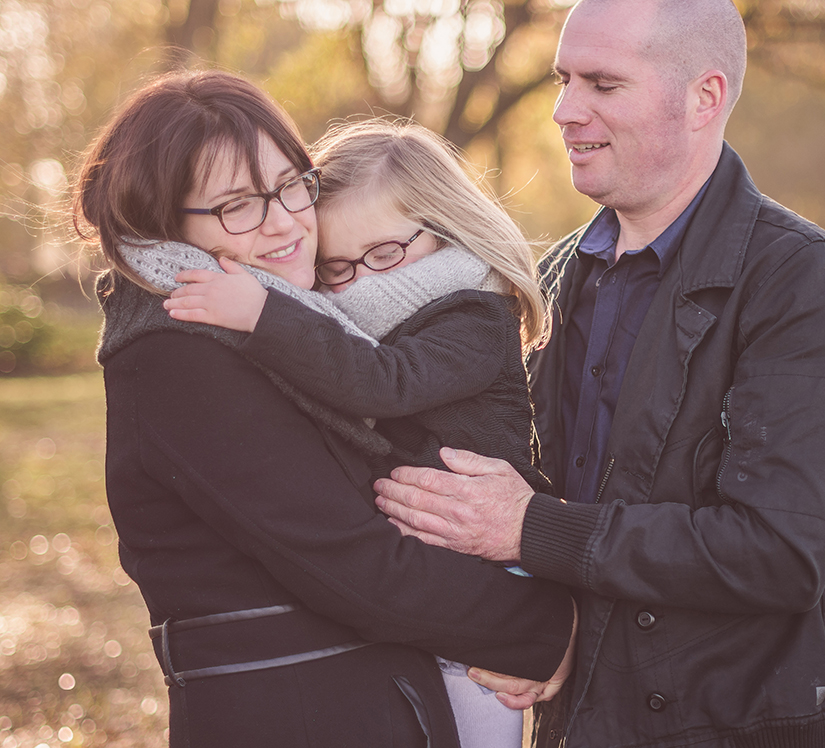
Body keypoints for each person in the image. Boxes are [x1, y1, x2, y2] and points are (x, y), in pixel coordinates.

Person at [373, 0, 825, 746]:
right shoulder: (549, 280)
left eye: (603, 85)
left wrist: (528, 529)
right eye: (562, 80)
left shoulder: (799, 281)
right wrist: (545, 630)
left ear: (704, 97)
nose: (563, 110)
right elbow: (559, 502)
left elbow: (779, 552)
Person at [75, 69, 574, 748]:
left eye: (290, 185)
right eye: (238, 205)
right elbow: (352, 562)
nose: (283, 222)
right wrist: (547, 631)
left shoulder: (270, 322)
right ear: (164, 218)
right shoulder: (180, 352)